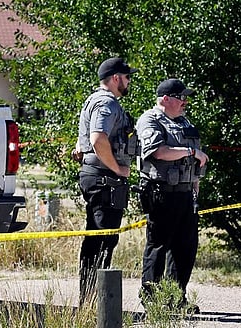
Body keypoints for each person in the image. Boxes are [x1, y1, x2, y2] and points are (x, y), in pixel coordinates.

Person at [135, 78, 209, 312]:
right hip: (161, 193)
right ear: (166, 99)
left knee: (184, 248)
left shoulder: (184, 122)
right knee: (157, 247)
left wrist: (195, 185)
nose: (184, 102)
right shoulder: (150, 120)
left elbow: (194, 163)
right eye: (180, 97)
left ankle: (176, 299)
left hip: (186, 194)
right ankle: (153, 301)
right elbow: (158, 151)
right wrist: (191, 151)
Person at [73, 57, 138, 304]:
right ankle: (95, 305)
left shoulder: (93, 100)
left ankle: (90, 301)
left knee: (97, 239)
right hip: (104, 179)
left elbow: (85, 141)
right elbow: (98, 138)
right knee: (103, 240)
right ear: (115, 78)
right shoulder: (107, 103)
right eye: (127, 77)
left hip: (97, 176)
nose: (129, 81)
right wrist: (118, 169)